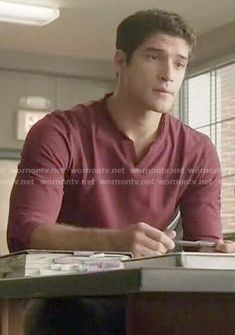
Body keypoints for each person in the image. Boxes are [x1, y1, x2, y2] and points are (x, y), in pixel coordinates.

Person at [7, 8, 235, 335]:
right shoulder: (58, 132)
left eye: (180, 63)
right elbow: (24, 231)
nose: (168, 74)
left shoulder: (198, 149)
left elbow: (205, 245)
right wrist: (118, 241)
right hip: (69, 304)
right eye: (154, 58)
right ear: (120, 61)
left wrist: (220, 253)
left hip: (156, 303)